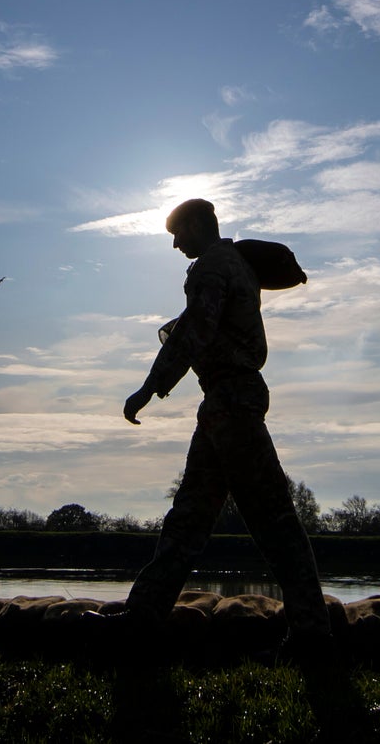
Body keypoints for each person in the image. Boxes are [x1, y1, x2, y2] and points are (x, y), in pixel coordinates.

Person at [110, 198, 332, 654]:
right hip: (224, 405)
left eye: (177, 233)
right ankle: (141, 619)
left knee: (274, 521)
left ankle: (311, 632)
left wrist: (149, 388)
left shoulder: (212, 266)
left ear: (197, 224)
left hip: (232, 405)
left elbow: (196, 331)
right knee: (187, 520)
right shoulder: (233, 264)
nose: (174, 244)